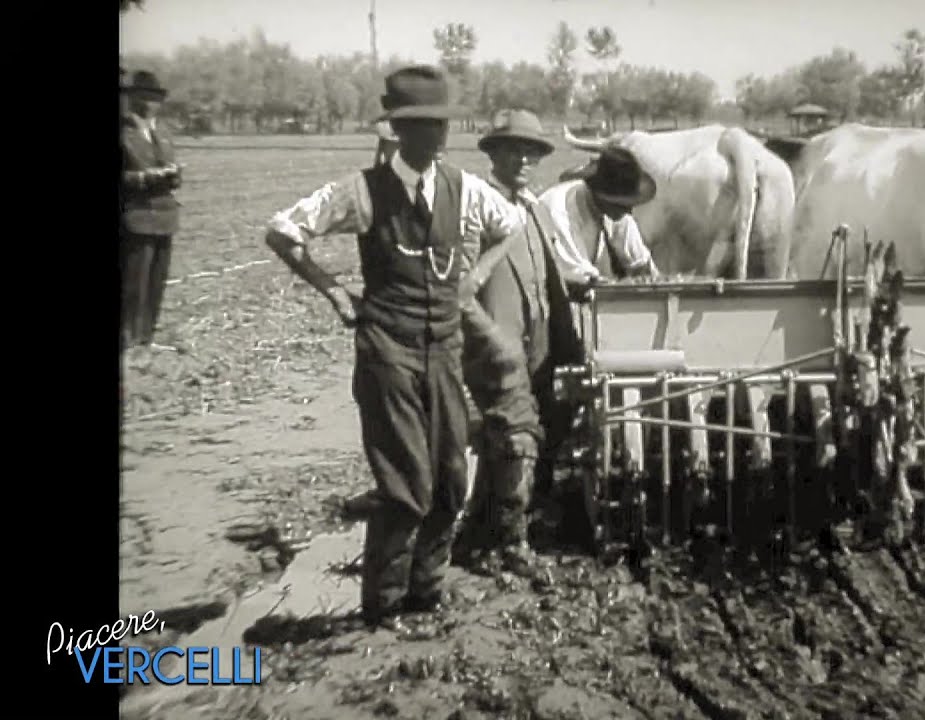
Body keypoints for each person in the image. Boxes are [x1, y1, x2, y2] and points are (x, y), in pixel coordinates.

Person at [263, 65, 540, 630]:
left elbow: (513, 223)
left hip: (443, 348)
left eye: (440, 124)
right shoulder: (362, 191)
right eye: (422, 126)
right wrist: (336, 292)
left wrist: (474, 274)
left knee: (449, 480)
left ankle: (426, 594)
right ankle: (384, 606)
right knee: (405, 485)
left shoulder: (465, 190)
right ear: (399, 130)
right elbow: (284, 230)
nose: (436, 136)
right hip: (387, 351)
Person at [460, 109, 586, 577]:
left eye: (531, 151)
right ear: (494, 154)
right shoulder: (476, 207)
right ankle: (510, 544)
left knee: (521, 439)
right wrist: (487, 338)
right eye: (513, 149)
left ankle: (484, 527)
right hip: (496, 347)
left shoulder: (533, 209)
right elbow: (461, 287)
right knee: (515, 440)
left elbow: (549, 277)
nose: (524, 159)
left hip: (539, 348)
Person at [121, 70, 182, 350]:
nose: (150, 104)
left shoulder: (163, 133)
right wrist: (147, 177)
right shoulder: (124, 133)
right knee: (135, 283)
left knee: (156, 282)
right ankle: (130, 339)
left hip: (165, 216)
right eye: (145, 98)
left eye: (155, 98)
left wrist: (173, 175)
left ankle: (147, 337)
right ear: (132, 99)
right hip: (137, 215)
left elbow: (174, 175)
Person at [539, 145, 660, 281]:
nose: (628, 212)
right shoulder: (560, 213)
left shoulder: (616, 213)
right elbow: (580, 280)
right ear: (600, 195)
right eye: (621, 205)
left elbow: (641, 263)